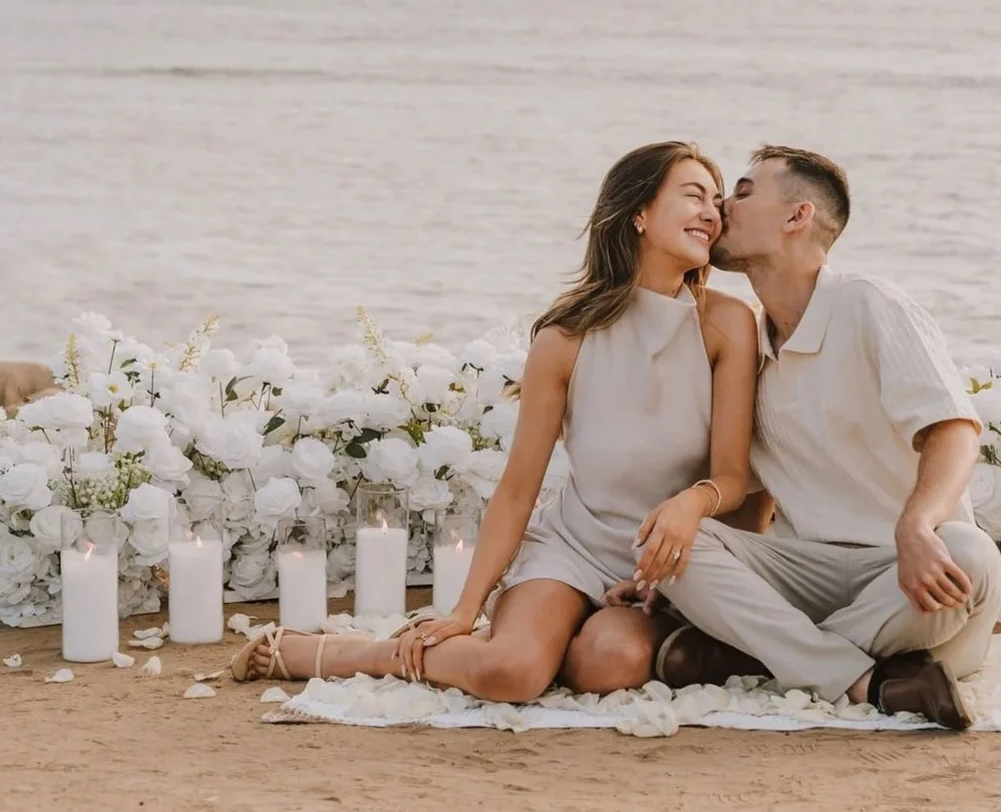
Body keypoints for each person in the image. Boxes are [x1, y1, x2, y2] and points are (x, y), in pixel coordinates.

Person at [233, 141, 763, 699]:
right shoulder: (566, 337)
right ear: (639, 212)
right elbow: (517, 490)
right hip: (574, 549)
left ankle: (545, 639)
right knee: (510, 673)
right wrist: (465, 609)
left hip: (667, 564)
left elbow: (732, 478)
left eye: (716, 199)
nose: (712, 211)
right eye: (692, 195)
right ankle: (354, 653)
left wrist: (686, 539)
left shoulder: (727, 326)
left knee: (611, 663)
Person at [636, 145, 1001, 730]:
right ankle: (868, 678)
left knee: (971, 553)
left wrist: (915, 527)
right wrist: (688, 576)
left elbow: (955, 432)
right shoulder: (744, 343)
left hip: (908, 578)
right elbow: (751, 493)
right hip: (808, 572)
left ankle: (752, 656)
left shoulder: (870, 304)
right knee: (672, 543)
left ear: (796, 216)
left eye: (741, 190)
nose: (720, 207)